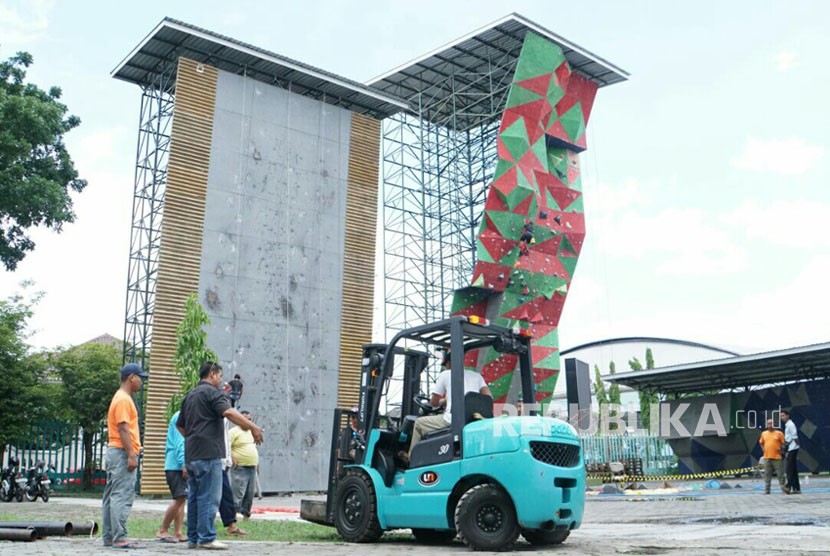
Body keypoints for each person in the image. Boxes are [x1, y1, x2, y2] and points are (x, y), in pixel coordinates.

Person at [177, 362, 263, 549]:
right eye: (220, 375)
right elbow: (229, 412)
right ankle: (206, 537)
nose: (221, 379)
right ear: (213, 374)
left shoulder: (190, 396)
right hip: (209, 454)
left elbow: (180, 425)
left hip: (192, 454)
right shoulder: (212, 393)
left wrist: (194, 438)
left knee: (195, 497)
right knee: (209, 496)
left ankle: (194, 538)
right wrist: (253, 427)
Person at [405, 351, 491, 459]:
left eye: (445, 365)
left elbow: (433, 402)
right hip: (471, 419)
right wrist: (447, 401)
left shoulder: (446, 374)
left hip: (452, 420)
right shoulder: (476, 376)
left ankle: (411, 458)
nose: (445, 367)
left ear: (449, 363)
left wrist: (441, 402)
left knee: (418, 423)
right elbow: (488, 397)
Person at [101, 363, 148, 550]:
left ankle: (109, 536)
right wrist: (131, 454)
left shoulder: (121, 397)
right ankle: (119, 537)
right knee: (121, 495)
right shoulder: (123, 399)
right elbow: (123, 428)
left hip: (116, 451)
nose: (142, 382)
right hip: (122, 451)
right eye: (141, 378)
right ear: (131, 377)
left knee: (111, 496)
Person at [157, 410, 187, 542]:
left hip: (177, 464)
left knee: (182, 498)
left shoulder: (185, 416)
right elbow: (180, 442)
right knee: (179, 498)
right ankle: (163, 529)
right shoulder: (180, 417)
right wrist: (184, 463)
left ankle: (178, 532)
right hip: (175, 465)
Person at [230, 410, 259, 519]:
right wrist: (232, 458)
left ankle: (246, 514)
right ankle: (233, 517)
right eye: (245, 419)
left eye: (250, 419)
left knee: (249, 493)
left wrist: (257, 462)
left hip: (252, 466)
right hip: (240, 467)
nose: (248, 421)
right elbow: (227, 446)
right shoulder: (233, 431)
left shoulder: (252, 432)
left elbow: (253, 447)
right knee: (238, 492)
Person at [758, 419, 788, 494]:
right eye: (768, 424)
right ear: (766, 425)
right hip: (767, 457)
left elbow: (784, 443)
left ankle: (783, 488)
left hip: (777, 457)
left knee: (780, 474)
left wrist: (782, 451)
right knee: (767, 474)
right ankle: (767, 490)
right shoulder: (764, 433)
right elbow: (761, 442)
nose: (770, 425)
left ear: (774, 424)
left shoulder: (779, 433)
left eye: (771, 424)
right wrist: (763, 450)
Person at [781, 409, 801, 494]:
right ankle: (796, 488)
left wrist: (796, 446)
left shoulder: (790, 425)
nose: (782, 418)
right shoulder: (787, 425)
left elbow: (795, 437)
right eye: (781, 416)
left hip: (792, 448)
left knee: (789, 469)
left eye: (783, 415)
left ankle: (788, 486)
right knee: (793, 469)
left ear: (787, 415)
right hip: (791, 448)